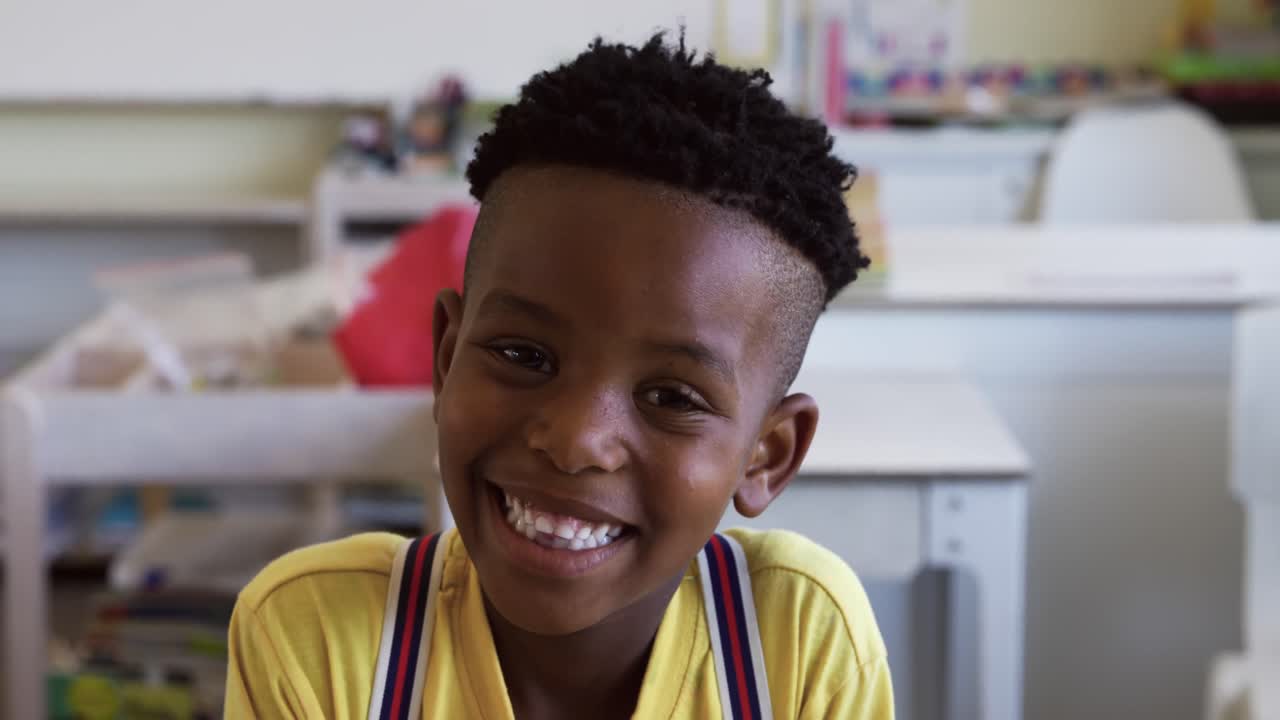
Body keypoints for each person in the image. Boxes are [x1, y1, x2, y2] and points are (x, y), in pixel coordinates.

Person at [225, 32, 893, 720]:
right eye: (524, 355)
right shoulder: (319, 641)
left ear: (768, 453)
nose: (576, 440)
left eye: (671, 397)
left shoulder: (795, 644)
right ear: (447, 358)